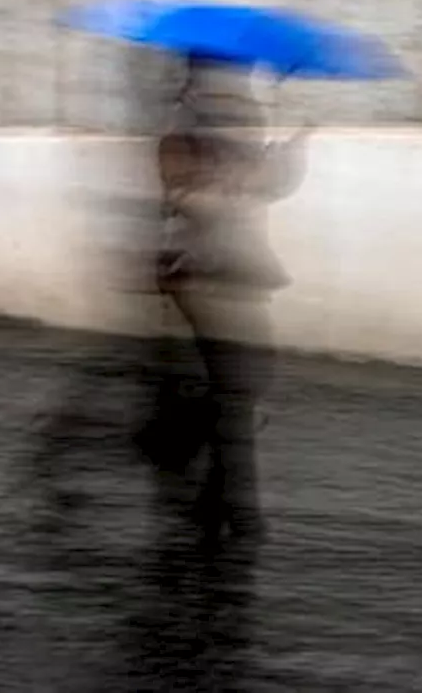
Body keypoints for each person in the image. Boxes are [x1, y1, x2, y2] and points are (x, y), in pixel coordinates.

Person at [144, 59, 311, 548]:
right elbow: (185, 196)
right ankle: (238, 511)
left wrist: (291, 155)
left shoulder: (241, 117)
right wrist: (240, 183)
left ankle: (205, 485)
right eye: (230, 73)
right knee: (239, 390)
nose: (238, 82)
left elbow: (271, 189)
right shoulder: (182, 127)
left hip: (242, 268)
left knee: (248, 383)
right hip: (202, 272)